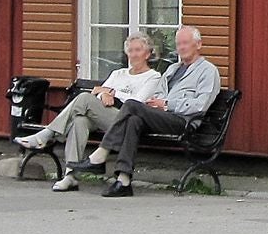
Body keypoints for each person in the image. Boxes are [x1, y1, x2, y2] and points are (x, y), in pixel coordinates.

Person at [70, 23, 222, 198]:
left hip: (183, 121)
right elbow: (159, 93)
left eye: (185, 43)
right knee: (133, 120)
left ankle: (100, 154)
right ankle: (123, 180)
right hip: (162, 116)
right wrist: (155, 103)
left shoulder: (208, 71)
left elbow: (200, 105)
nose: (181, 48)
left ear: (198, 44)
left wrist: (166, 104)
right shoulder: (173, 69)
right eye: (178, 44)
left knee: (132, 105)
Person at [14, 32, 164, 192]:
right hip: (105, 115)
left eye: (138, 50)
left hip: (126, 120)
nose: (134, 54)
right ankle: (70, 175)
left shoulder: (153, 77)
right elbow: (98, 93)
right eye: (131, 50)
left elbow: (136, 102)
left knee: (84, 98)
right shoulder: (118, 74)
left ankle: (47, 134)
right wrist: (104, 95)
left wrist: (112, 92)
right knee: (80, 120)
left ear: (147, 54)